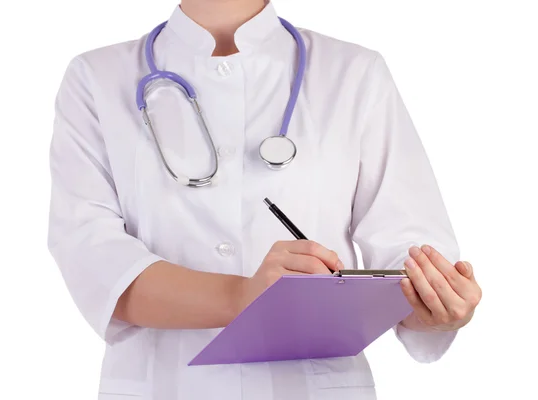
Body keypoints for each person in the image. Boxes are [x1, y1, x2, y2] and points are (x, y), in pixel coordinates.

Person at [47, 0, 482, 399]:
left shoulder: (353, 72)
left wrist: (436, 305)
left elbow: (407, 253)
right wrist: (243, 296)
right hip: (165, 384)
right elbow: (94, 259)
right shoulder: (96, 77)